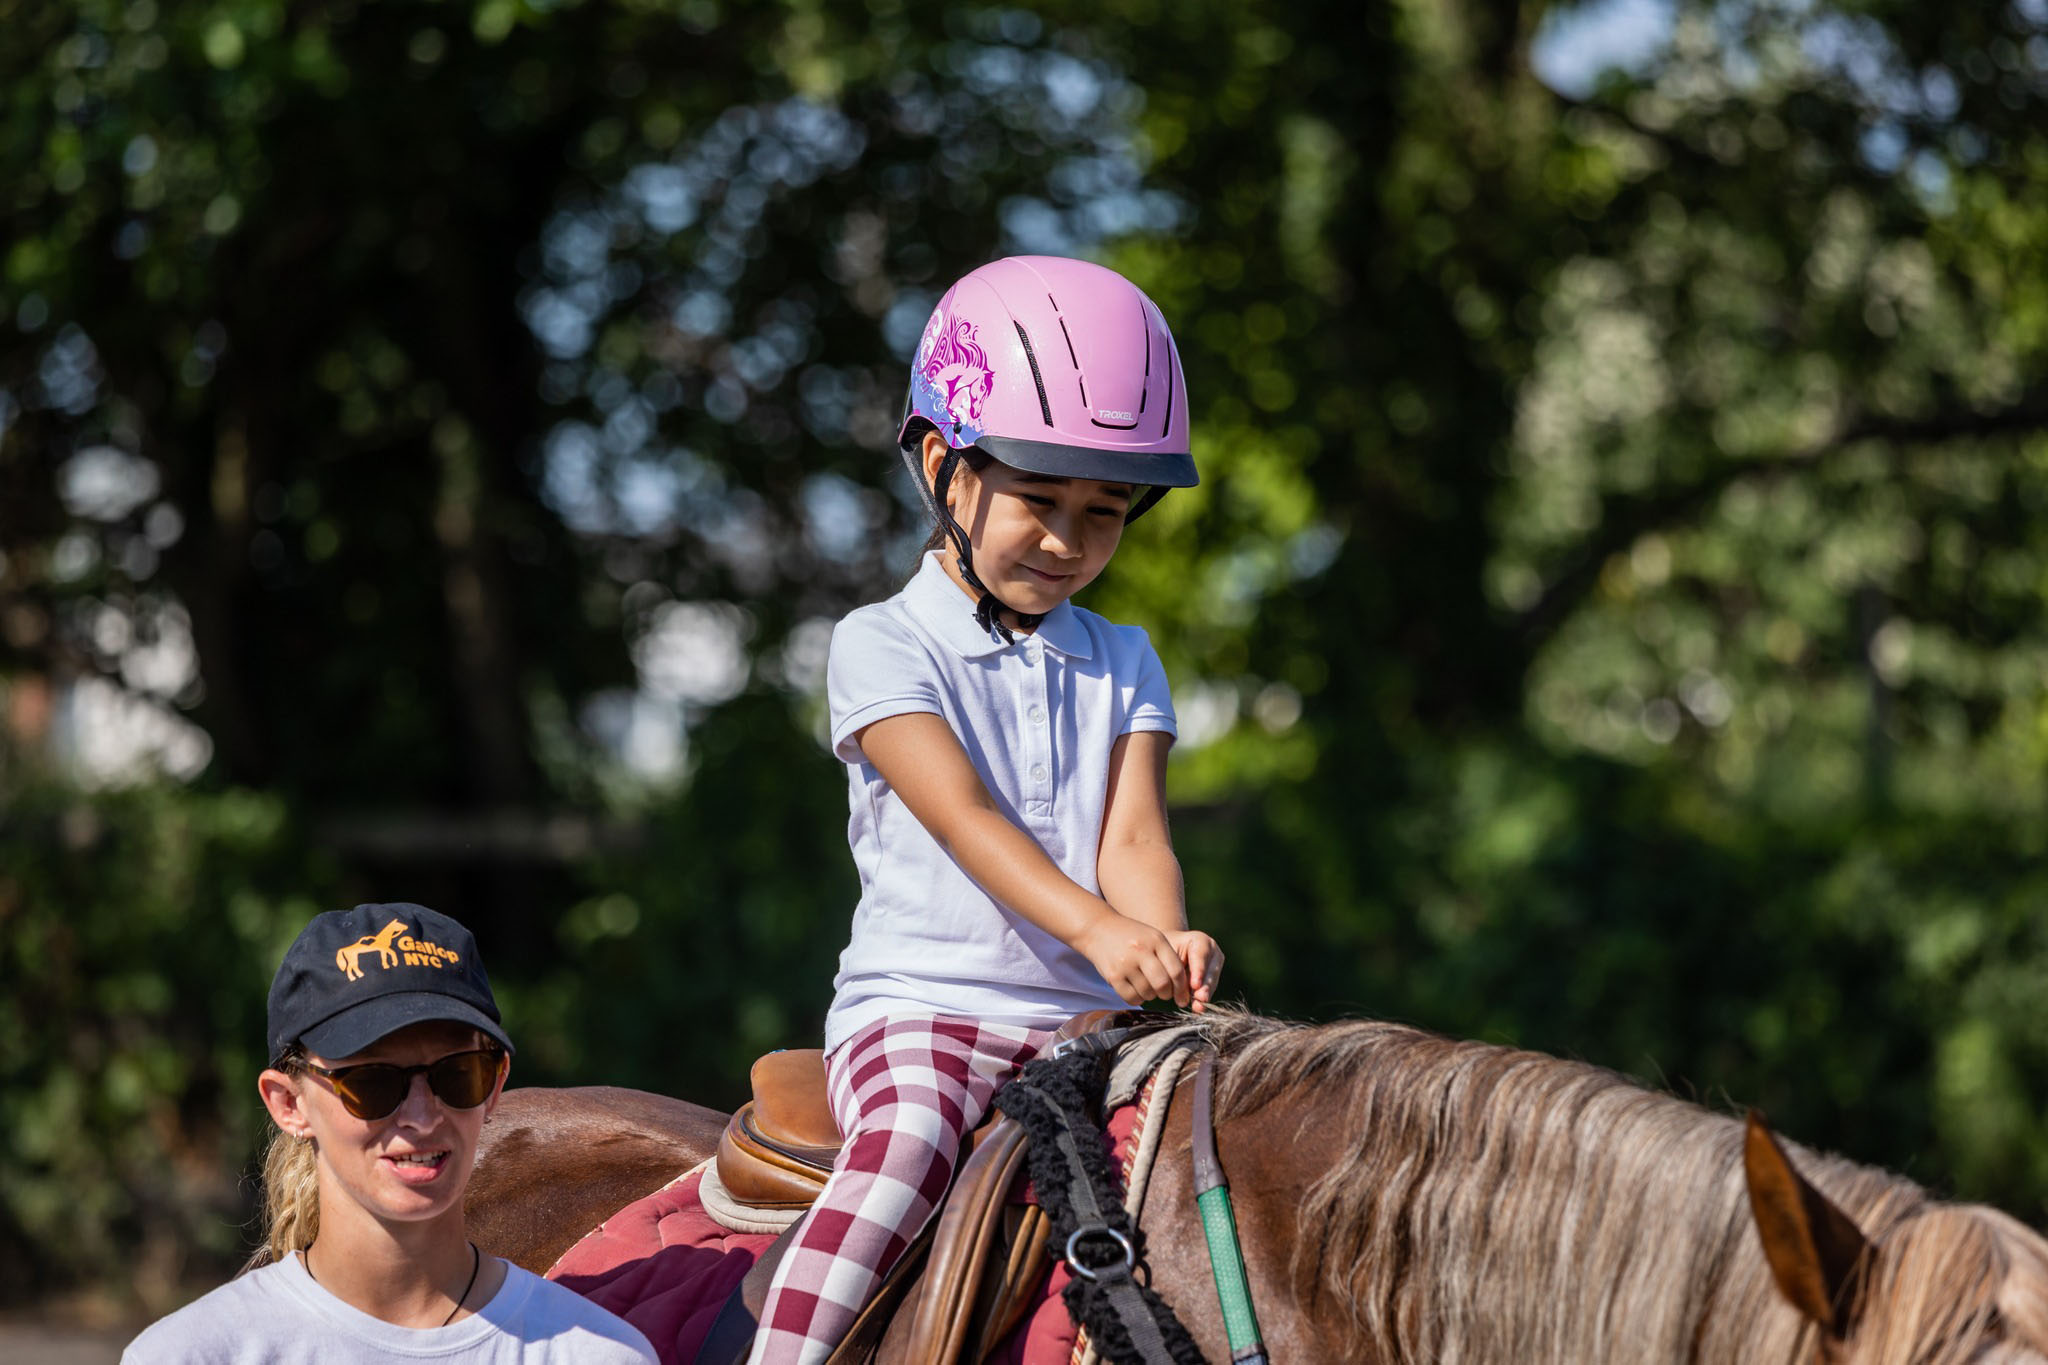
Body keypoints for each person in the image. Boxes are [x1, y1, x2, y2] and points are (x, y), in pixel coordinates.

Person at [748, 257, 1224, 1364]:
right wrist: (1101, 932)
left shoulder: (1126, 658)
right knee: (902, 1157)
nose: (1067, 540)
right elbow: (964, 819)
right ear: (939, 467)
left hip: (1084, 1029)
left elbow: (1134, 836)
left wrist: (1157, 940)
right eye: (1038, 501)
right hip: (925, 1010)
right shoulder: (879, 641)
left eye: (1103, 513)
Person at [123, 903, 655, 1364]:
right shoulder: (190, 1355)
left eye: (458, 1075)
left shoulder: (598, 1353)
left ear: (495, 1087)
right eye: (372, 1083)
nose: (422, 1118)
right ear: (288, 1104)